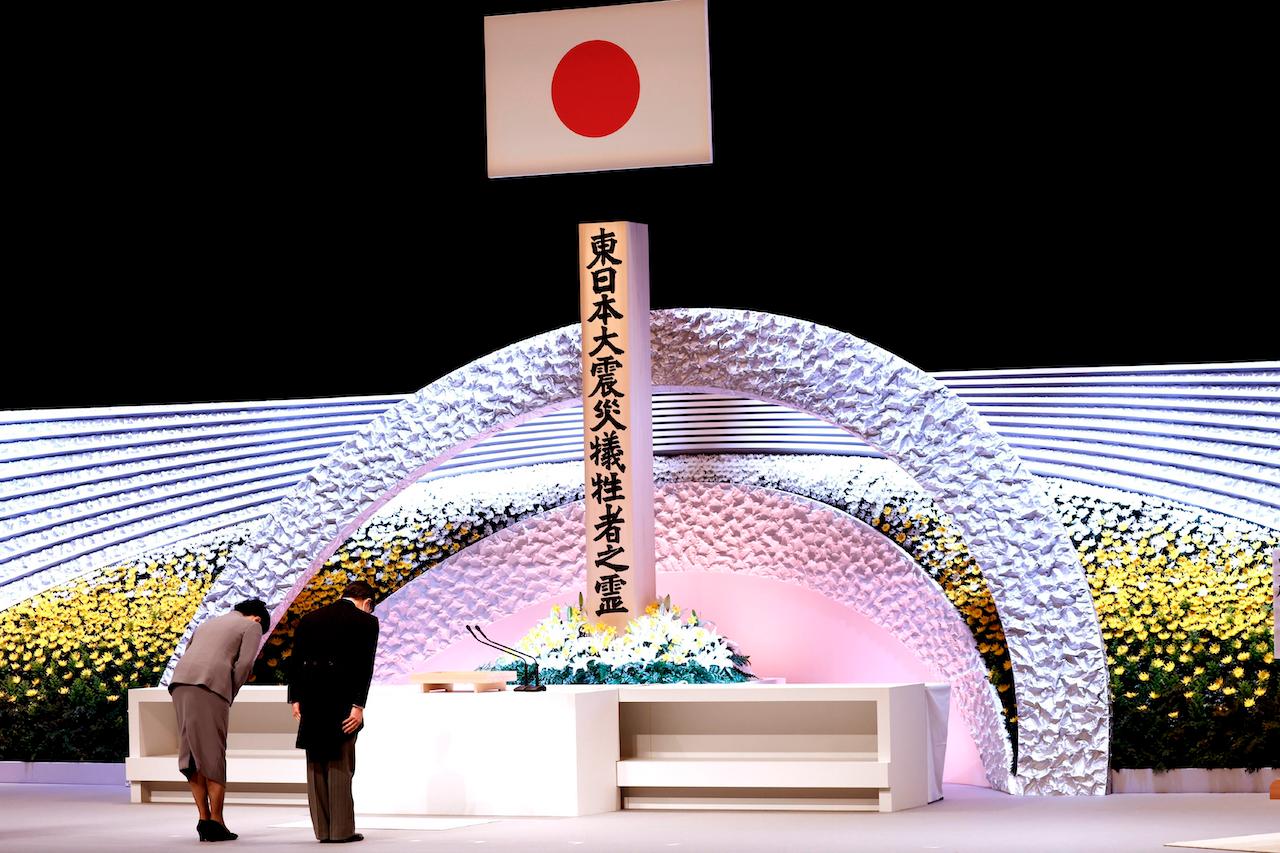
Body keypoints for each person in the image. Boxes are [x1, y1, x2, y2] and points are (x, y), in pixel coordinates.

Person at [168, 597, 272, 843]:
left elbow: (189, 652)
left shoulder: (207, 623)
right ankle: (217, 820)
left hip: (181, 683)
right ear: (257, 618)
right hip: (210, 686)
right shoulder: (252, 626)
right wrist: (230, 691)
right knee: (213, 751)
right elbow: (245, 662)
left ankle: (204, 819)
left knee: (191, 751)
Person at [288, 580, 380, 844]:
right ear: (367, 603)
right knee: (340, 761)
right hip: (342, 698)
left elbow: (296, 661)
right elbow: (365, 666)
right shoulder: (366, 622)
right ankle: (341, 831)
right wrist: (358, 705)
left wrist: (295, 698)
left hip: (311, 697)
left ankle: (323, 830)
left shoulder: (310, 618)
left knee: (315, 762)